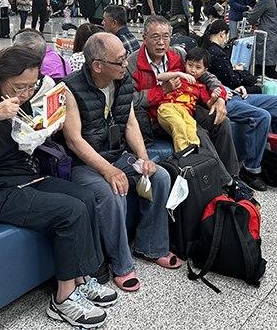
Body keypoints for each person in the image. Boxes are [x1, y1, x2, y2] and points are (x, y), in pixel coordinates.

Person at [0, 47, 115, 328]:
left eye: (32, 86)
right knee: (69, 210)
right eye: (19, 86)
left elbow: (20, 141)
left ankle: (82, 278)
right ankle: (63, 299)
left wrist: (43, 129)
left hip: (21, 175)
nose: (26, 93)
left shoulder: (21, 99)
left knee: (85, 197)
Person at [63, 32, 177, 293]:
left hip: (116, 155)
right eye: (120, 61)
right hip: (84, 164)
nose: (126, 64)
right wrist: (108, 170)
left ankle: (151, 247)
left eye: (125, 58)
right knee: (113, 191)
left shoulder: (123, 80)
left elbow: (130, 122)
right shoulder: (71, 89)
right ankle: (121, 264)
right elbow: (74, 141)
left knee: (159, 176)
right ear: (97, 66)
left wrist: (143, 158)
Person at [127, 15, 239, 186]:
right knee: (198, 132)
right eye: (155, 37)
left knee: (221, 121)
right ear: (144, 38)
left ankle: (233, 176)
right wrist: (162, 91)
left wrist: (220, 98)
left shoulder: (178, 54)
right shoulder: (132, 63)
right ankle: (223, 183)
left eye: (166, 36)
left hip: (186, 106)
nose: (161, 42)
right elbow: (130, 100)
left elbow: (206, 76)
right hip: (156, 116)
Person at [201, 20, 277, 190]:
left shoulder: (210, 52)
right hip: (223, 99)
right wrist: (228, 86)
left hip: (232, 93)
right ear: (222, 33)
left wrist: (230, 86)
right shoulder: (211, 54)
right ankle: (252, 170)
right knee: (262, 116)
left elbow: (216, 78)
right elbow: (217, 79)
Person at [154, 47, 221, 151]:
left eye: (198, 67)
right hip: (168, 107)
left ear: (205, 70)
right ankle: (183, 153)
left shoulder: (201, 87)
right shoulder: (178, 76)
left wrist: (213, 98)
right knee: (179, 125)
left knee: (191, 129)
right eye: (190, 65)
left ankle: (195, 153)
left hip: (186, 113)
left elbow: (208, 103)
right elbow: (159, 77)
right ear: (185, 63)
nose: (193, 70)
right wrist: (179, 74)